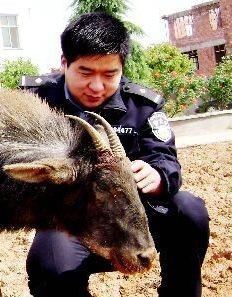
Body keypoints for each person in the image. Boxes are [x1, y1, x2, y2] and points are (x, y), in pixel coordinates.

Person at [20, 12, 210, 297]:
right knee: (51, 265)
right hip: (74, 221)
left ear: (122, 67)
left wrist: (157, 176)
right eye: (85, 72)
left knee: (189, 211)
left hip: (134, 215)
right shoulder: (36, 101)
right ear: (64, 63)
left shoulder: (142, 106)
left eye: (110, 75)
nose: (97, 87)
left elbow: (165, 159)